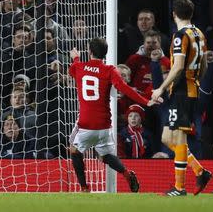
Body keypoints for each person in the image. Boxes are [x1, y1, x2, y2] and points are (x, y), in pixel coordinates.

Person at [68, 37, 159, 193]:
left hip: (86, 124)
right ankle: (126, 173)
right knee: (105, 156)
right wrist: (146, 101)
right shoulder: (110, 70)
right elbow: (124, 88)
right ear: (105, 54)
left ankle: (84, 187)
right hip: (104, 126)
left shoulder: (79, 67)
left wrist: (75, 58)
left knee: (74, 150)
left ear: (89, 51)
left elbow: (72, 71)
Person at [151, 0, 212, 196]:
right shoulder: (199, 34)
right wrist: (196, 80)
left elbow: (177, 67)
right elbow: (203, 65)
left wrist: (160, 88)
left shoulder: (180, 36)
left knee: (177, 138)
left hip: (182, 92)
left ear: (174, 14)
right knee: (168, 138)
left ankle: (179, 188)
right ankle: (200, 171)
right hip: (188, 89)